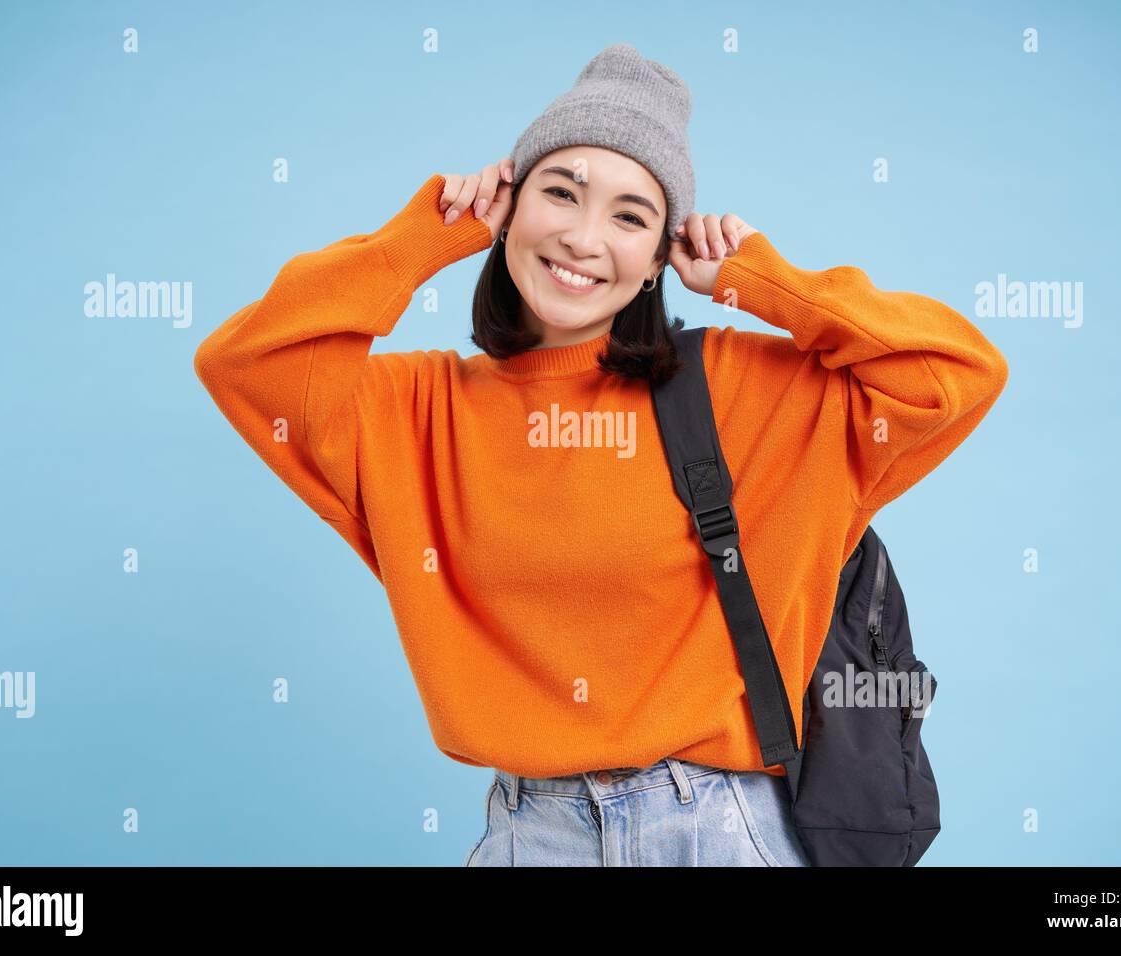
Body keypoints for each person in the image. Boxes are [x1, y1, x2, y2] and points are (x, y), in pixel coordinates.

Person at [194, 43, 1008, 866]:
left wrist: (763, 281)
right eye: (560, 192)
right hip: (531, 833)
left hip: (717, 830)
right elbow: (245, 362)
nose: (584, 238)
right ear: (509, 208)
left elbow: (957, 374)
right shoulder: (416, 412)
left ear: (660, 257)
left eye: (630, 216)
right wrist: (419, 241)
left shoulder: (742, 391)